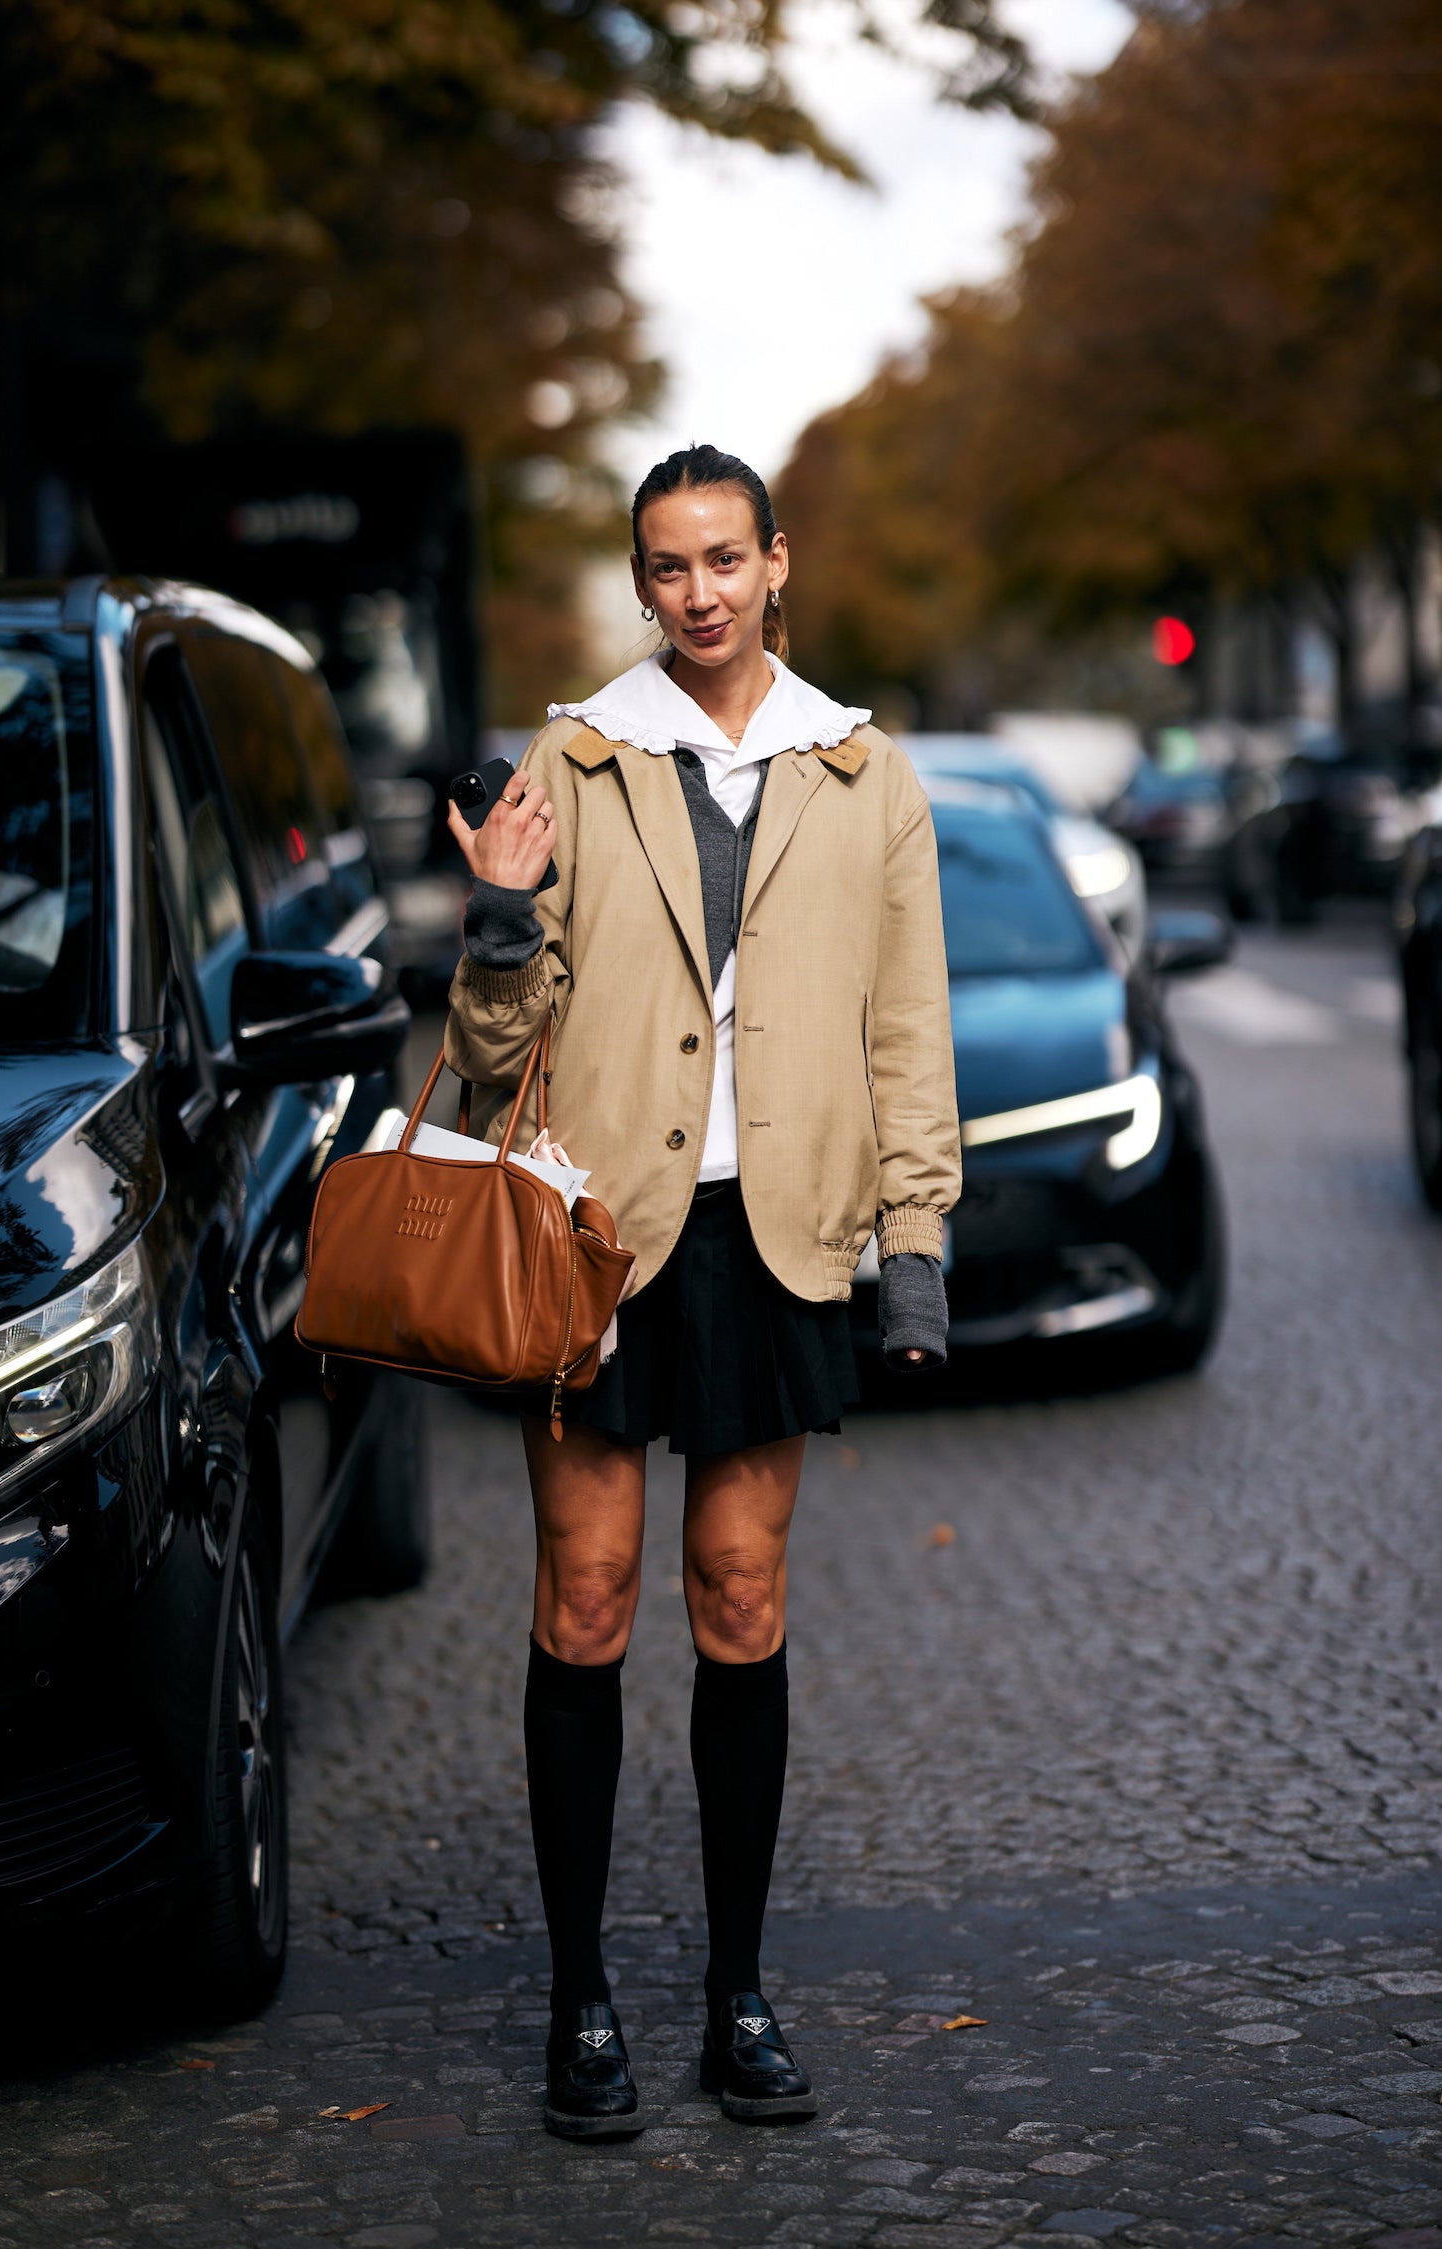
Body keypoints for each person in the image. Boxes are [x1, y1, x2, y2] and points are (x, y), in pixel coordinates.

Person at [443, 443, 959, 2140]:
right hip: (603, 1233)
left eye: (726, 558)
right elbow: (486, 1059)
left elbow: (907, 1024)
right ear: (643, 583)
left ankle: (739, 1989)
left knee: (740, 1596)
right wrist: (501, 920)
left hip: (781, 1233)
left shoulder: (860, 770)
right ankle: (579, 1992)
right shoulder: (578, 757)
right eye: (669, 567)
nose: (701, 592)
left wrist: (916, 1242)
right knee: (585, 1599)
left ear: (777, 562)